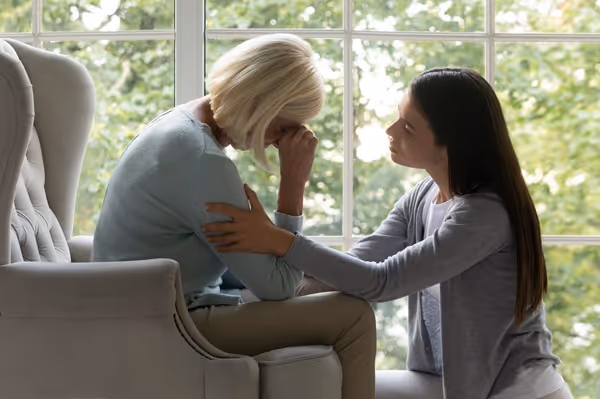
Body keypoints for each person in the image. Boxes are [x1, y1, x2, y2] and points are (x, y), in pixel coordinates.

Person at [203, 67, 573, 399]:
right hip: (450, 383)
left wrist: (280, 240)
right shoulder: (423, 196)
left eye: (408, 126)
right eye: (398, 118)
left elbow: (383, 282)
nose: (390, 130)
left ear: (450, 145)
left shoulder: (484, 215)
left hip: (518, 389)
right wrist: (242, 296)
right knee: (330, 389)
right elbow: (354, 265)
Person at [92, 34, 376, 399]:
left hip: (155, 307)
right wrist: (294, 182)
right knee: (354, 315)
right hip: (169, 322)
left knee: (327, 285)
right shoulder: (202, 160)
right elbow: (279, 287)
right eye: (284, 127)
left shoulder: (180, 124)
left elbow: (262, 271)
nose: (279, 142)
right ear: (260, 103)